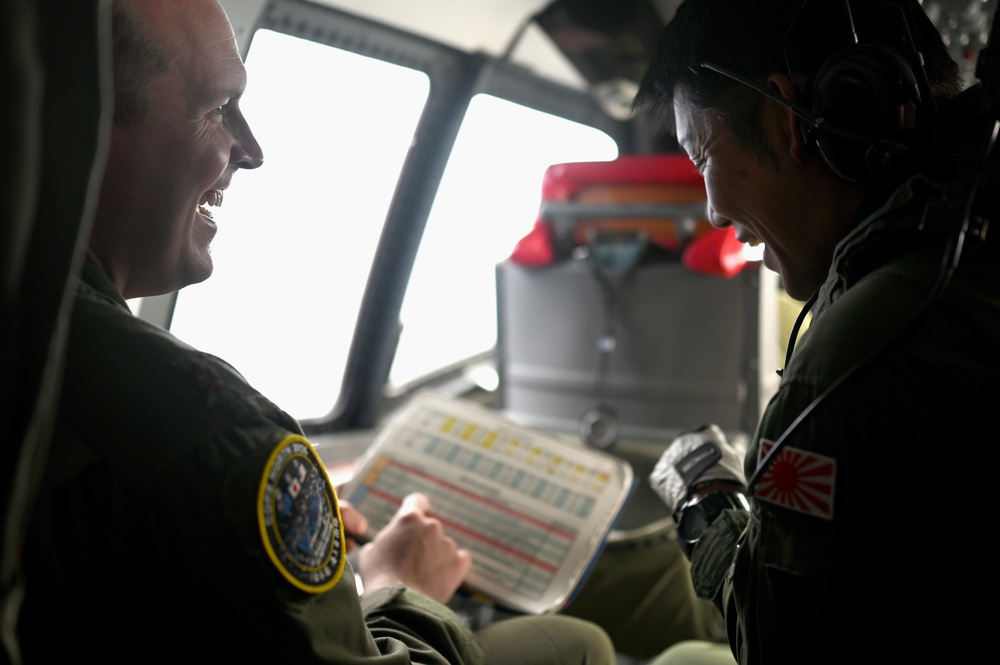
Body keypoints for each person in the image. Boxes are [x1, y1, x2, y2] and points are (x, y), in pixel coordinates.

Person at [14, 1, 617, 663]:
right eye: (217, 108)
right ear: (81, 125)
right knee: (577, 642)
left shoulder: (45, 343)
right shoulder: (209, 430)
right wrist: (401, 588)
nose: (251, 150)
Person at [628, 0, 1000, 663]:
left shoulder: (859, 356)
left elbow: (777, 646)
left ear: (785, 117)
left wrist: (706, 503)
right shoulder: (972, 234)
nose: (713, 212)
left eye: (702, 154)